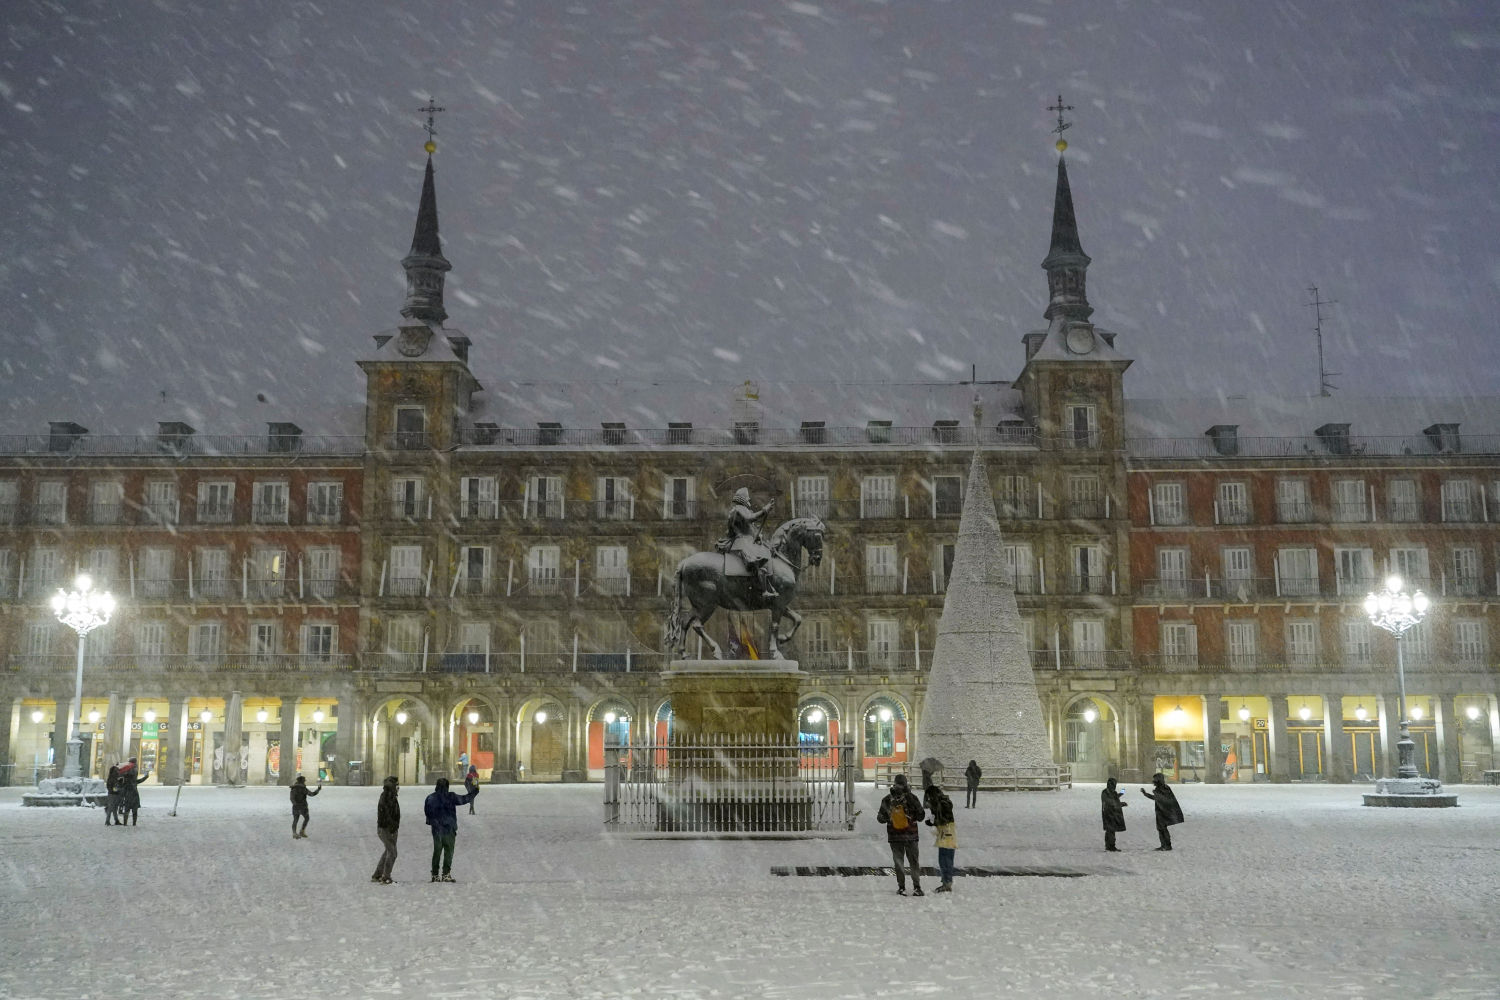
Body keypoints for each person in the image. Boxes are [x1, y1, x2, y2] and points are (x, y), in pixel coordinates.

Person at [715, 487, 778, 599]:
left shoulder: (741, 509)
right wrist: (765, 509)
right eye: (748, 499)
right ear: (744, 499)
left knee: (766, 554)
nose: (749, 502)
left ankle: (767, 587)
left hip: (746, 541)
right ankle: (763, 591)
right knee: (757, 563)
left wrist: (758, 536)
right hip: (741, 542)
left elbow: (750, 527)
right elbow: (750, 518)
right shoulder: (738, 509)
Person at [875, 773, 925, 896]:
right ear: (906, 784)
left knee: (899, 862)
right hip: (911, 835)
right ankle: (917, 887)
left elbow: (880, 818)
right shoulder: (912, 798)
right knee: (913, 862)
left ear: (894, 784)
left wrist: (890, 817)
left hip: (895, 836)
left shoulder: (887, 799)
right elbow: (921, 816)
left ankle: (901, 887)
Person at [424, 773, 479, 882]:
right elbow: (464, 799)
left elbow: (427, 812)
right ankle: (446, 873)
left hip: (437, 830)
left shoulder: (430, 798)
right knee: (449, 851)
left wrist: (433, 822)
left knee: (437, 851)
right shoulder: (451, 797)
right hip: (449, 828)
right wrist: (475, 791)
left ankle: (435, 874)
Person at [924, 784, 958, 892]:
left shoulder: (942, 803)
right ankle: (946, 881)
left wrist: (934, 822)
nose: (928, 800)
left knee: (945, 859)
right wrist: (932, 821)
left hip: (947, 833)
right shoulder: (941, 802)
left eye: (929, 797)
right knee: (944, 858)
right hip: (946, 833)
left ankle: (947, 882)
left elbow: (945, 819)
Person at [1141, 772, 1184, 851]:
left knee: (1162, 828)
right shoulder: (1165, 787)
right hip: (1163, 811)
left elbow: (1157, 798)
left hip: (1163, 812)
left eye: (1155, 779)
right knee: (1162, 828)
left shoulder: (1161, 788)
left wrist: (1146, 794)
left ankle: (1166, 845)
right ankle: (1165, 845)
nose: (1153, 781)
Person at [371, 776, 401, 884]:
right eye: (396, 785)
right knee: (392, 852)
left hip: (391, 829)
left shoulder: (392, 796)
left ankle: (377, 874)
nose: (398, 787)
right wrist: (392, 825)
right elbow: (386, 813)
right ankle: (385, 876)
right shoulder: (386, 797)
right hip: (385, 829)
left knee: (388, 851)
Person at [117, 756, 149, 826]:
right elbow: (138, 781)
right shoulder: (132, 775)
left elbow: (122, 784)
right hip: (134, 794)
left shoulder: (126, 776)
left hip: (129, 794)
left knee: (127, 809)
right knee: (134, 810)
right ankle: (133, 823)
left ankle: (125, 823)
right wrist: (146, 777)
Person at [290, 774, 322, 839]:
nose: (305, 782)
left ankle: (294, 833)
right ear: (302, 781)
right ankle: (302, 831)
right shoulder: (303, 788)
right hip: (303, 807)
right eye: (304, 781)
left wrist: (295, 804)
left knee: (295, 820)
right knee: (306, 818)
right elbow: (312, 794)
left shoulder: (293, 788)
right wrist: (318, 789)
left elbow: (291, 798)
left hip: (295, 807)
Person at [1101, 777, 1127, 851]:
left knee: (1111, 830)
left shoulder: (1112, 792)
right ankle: (1110, 846)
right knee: (1110, 830)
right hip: (1108, 814)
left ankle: (1110, 845)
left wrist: (1122, 792)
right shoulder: (1105, 793)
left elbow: (1115, 797)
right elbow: (1110, 801)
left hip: (1113, 814)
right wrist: (1120, 803)